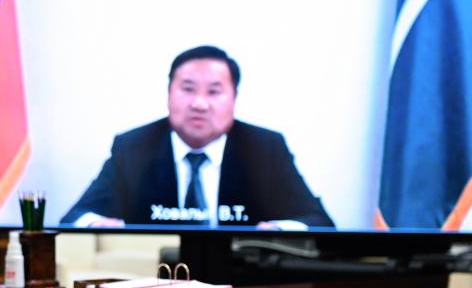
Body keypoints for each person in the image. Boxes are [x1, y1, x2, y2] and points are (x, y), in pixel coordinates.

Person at [60, 45, 333, 229]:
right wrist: (97, 226)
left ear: (234, 100)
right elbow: (74, 218)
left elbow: (319, 222)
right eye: (188, 89)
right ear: (168, 94)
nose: (199, 104)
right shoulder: (134, 148)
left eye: (214, 92)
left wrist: (278, 230)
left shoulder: (264, 149)